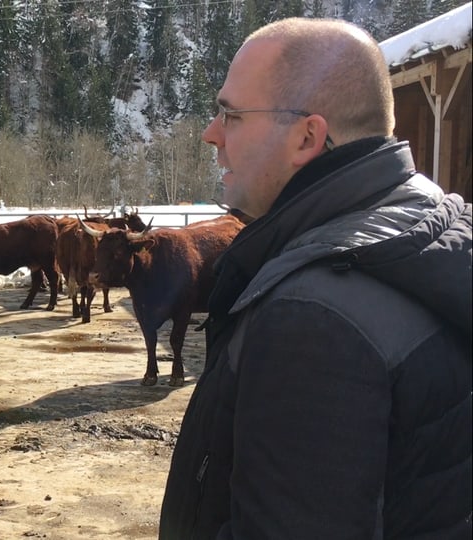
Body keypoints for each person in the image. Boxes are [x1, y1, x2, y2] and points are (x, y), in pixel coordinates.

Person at [159, 17, 472, 539]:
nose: (210, 134)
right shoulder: (438, 229)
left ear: (307, 136)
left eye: (230, 115)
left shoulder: (312, 320)